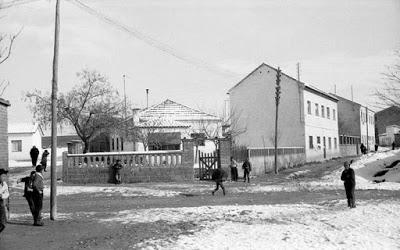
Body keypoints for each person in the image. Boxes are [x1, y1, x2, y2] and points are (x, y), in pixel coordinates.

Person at [0, 169, 9, 234]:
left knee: (3, 223)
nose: (4, 178)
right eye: (2, 176)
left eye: (5, 176)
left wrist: (2, 195)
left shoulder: (5, 184)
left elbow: (7, 194)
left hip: (1, 203)